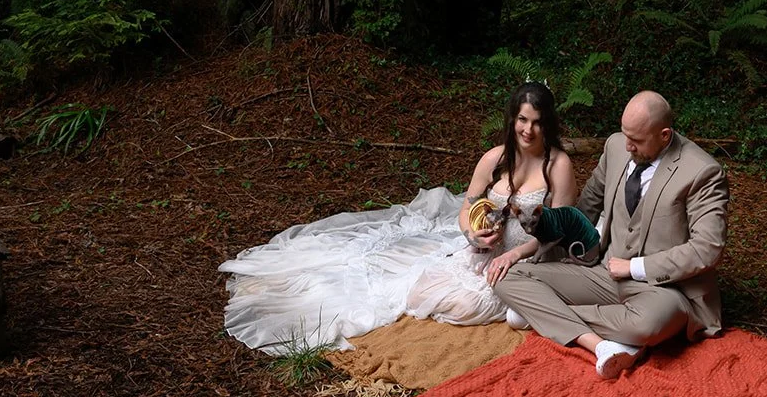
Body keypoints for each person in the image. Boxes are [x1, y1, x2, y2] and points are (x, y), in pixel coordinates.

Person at [222, 83, 576, 355]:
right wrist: (472, 235)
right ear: (512, 119)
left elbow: (558, 232)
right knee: (419, 290)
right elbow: (467, 208)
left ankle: (524, 302)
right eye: (522, 120)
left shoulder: (558, 166)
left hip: (527, 260)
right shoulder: (495, 158)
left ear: (548, 125)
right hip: (484, 253)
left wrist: (513, 254)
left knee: (464, 306)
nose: (528, 130)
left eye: (537, 123)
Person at [492, 90, 728, 381]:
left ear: (664, 135)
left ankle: (544, 315)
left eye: (637, 140)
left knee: (648, 325)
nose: (627, 145)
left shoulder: (702, 171)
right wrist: (521, 251)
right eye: (624, 133)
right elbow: (583, 210)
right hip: (604, 274)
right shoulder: (616, 146)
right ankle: (602, 343)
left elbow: (707, 248)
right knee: (509, 278)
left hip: (665, 290)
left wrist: (634, 268)